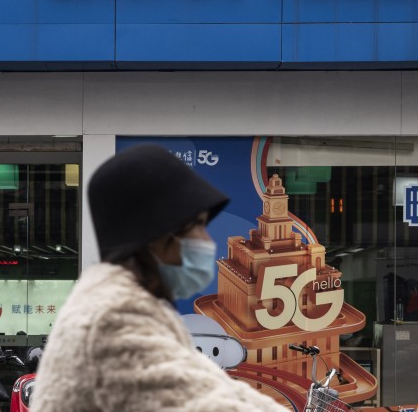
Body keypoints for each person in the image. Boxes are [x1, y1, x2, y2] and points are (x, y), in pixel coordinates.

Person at [30, 144, 292, 412]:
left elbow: (207, 381)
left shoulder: (128, 307)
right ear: (157, 235)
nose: (208, 240)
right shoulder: (111, 319)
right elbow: (200, 403)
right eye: (197, 226)